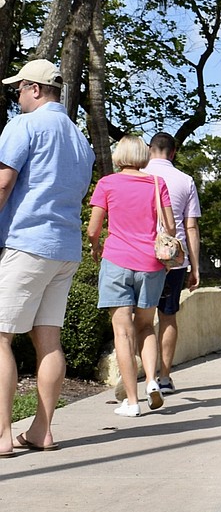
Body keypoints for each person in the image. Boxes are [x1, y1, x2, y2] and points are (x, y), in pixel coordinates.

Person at [0, 59, 95, 455]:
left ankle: (2, 434)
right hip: (65, 249)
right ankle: (42, 430)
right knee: (49, 339)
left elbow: (4, 181)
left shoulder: (24, 125)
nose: (16, 95)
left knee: (0, 336)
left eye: (18, 88)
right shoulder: (79, 139)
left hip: (26, 242)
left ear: (35, 89)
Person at [87, 136, 176, 417]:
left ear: (118, 155)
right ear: (143, 155)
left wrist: (96, 247)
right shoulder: (156, 183)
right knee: (147, 327)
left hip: (117, 261)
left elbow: (92, 229)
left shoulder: (107, 184)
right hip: (150, 263)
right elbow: (171, 227)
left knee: (122, 332)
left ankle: (133, 402)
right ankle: (152, 380)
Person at [144, 132, 201, 394]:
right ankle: (165, 376)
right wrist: (195, 266)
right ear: (173, 152)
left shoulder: (138, 175)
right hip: (174, 260)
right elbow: (190, 226)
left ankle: (146, 378)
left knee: (140, 319)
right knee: (168, 316)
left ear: (149, 149)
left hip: (142, 256)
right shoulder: (186, 180)